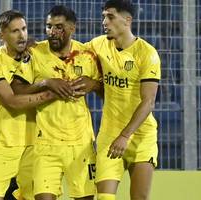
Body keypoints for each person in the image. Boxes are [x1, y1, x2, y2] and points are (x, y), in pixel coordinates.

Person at [11, 5, 102, 200]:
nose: (52, 32)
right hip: (46, 144)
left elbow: (108, 92)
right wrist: (46, 83)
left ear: (72, 28)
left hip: (81, 144)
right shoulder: (35, 53)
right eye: (49, 26)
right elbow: (16, 89)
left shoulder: (87, 55)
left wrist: (94, 84)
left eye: (59, 27)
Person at [0, 10, 68, 200]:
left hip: (33, 143)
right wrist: (50, 91)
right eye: (14, 31)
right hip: (2, 143)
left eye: (24, 29)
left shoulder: (32, 56)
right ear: (1, 35)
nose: (22, 35)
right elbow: (11, 101)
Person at [86, 1, 161, 200]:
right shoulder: (98, 44)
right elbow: (71, 53)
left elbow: (148, 102)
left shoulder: (147, 53)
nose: (104, 22)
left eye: (110, 17)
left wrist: (125, 136)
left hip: (140, 135)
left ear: (127, 20)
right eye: (104, 16)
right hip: (109, 134)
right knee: (104, 197)